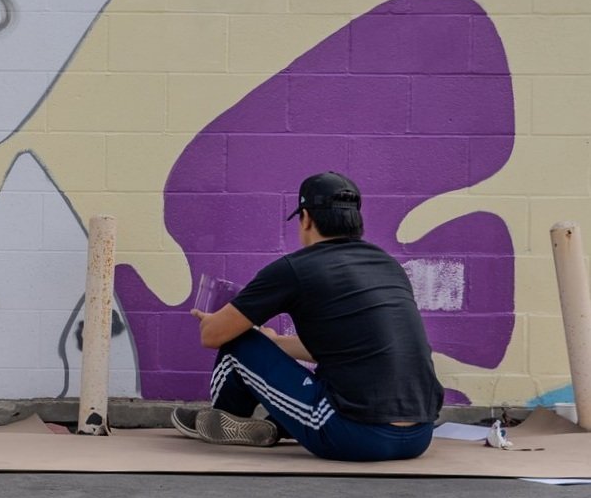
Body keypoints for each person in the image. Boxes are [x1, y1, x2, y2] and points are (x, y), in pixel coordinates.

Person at [175, 172, 442, 462]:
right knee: (330, 371)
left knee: (238, 343)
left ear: (305, 219)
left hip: (354, 437)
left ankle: (226, 418)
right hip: (418, 436)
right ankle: (278, 424)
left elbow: (213, 336)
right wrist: (275, 343)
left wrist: (211, 320)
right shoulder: (388, 265)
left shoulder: (294, 269)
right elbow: (351, 350)